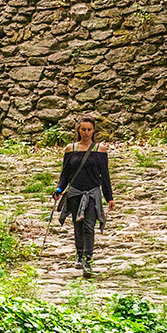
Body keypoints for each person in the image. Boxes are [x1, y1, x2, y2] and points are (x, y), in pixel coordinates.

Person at [54, 114, 115, 279]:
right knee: (77, 225)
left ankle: (88, 259)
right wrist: (59, 190)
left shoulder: (100, 150)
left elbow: (105, 176)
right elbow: (65, 174)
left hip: (92, 193)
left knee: (89, 226)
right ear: (78, 130)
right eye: (83, 129)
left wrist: (109, 197)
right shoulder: (70, 149)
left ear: (93, 130)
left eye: (89, 129)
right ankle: (79, 254)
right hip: (75, 193)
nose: (86, 132)